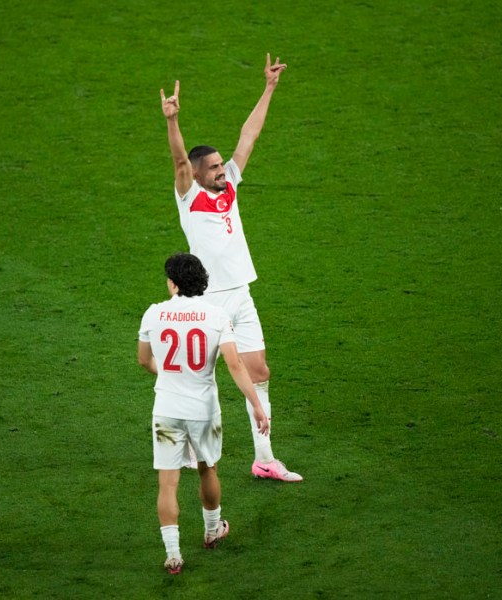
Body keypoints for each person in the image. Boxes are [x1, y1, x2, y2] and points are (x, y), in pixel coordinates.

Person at [159, 53, 302, 482]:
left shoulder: (230, 186)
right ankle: (184, 448)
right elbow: (181, 161)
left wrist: (269, 88)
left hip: (242, 293)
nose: (224, 171)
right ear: (199, 174)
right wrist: (172, 121)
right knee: (197, 379)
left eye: (223, 166)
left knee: (259, 372)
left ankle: (264, 458)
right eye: (216, 168)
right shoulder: (189, 196)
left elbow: (249, 135)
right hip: (209, 300)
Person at [138, 252, 270, 574]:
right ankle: (212, 531)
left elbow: (144, 361)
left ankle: (173, 555)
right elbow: (235, 364)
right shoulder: (215, 316)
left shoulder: (154, 314)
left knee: (167, 483)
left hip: (166, 410)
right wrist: (255, 404)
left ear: (173, 283)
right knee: (207, 469)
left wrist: (169, 375)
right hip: (203, 412)